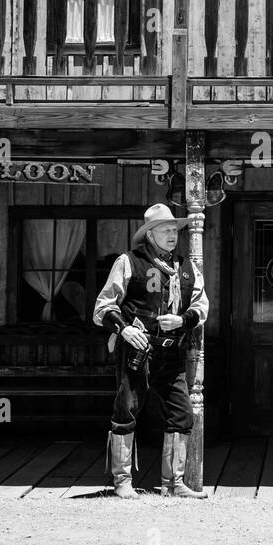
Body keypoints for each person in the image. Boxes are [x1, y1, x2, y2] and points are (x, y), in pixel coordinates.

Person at [92, 203, 209, 499]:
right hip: (137, 348)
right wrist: (125, 329)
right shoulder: (129, 262)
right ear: (150, 234)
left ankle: (174, 483)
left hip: (171, 351)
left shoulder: (187, 267)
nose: (172, 235)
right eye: (165, 230)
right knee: (126, 411)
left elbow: (201, 306)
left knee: (182, 413)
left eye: (174, 230)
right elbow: (102, 307)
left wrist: (182, 320)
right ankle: (122, 482)